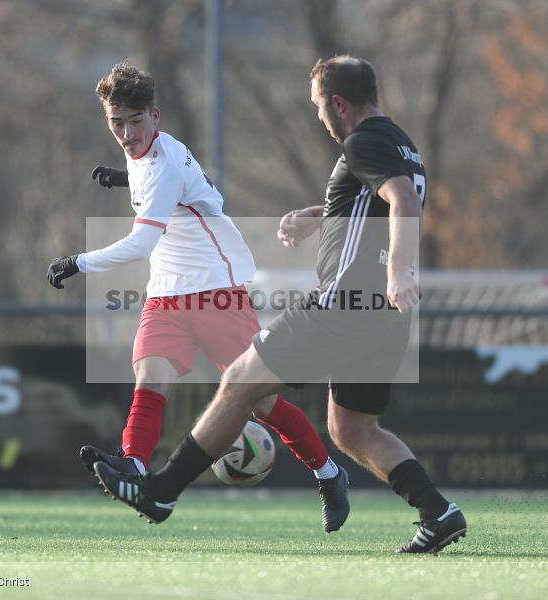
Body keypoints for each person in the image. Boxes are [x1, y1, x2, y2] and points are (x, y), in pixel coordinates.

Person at [93, 56, 467, 555]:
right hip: (383, 317)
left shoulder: (363, 140)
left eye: (318, 106)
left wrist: (399, 271)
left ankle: (160, 493)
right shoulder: (401, 143)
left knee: (238, 382)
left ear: (338, 103)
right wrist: (319, 216)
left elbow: (402, 201)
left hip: (344, 305)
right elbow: (371, 202)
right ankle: (437, 511)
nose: (318, 116)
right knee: (352, 428)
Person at [46, 60, 349, 533]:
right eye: (115, 122)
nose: (125, 134)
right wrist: (125, 176)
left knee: (259, 403)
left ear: (156, 116)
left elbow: (142, 242)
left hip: (216, 289)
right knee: (151, 377)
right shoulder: (148, 154)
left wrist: (78, 262)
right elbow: (191, 187)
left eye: (134, 121)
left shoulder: (163, 165)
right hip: (166, 291)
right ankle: (135, 469)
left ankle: (329, 474)